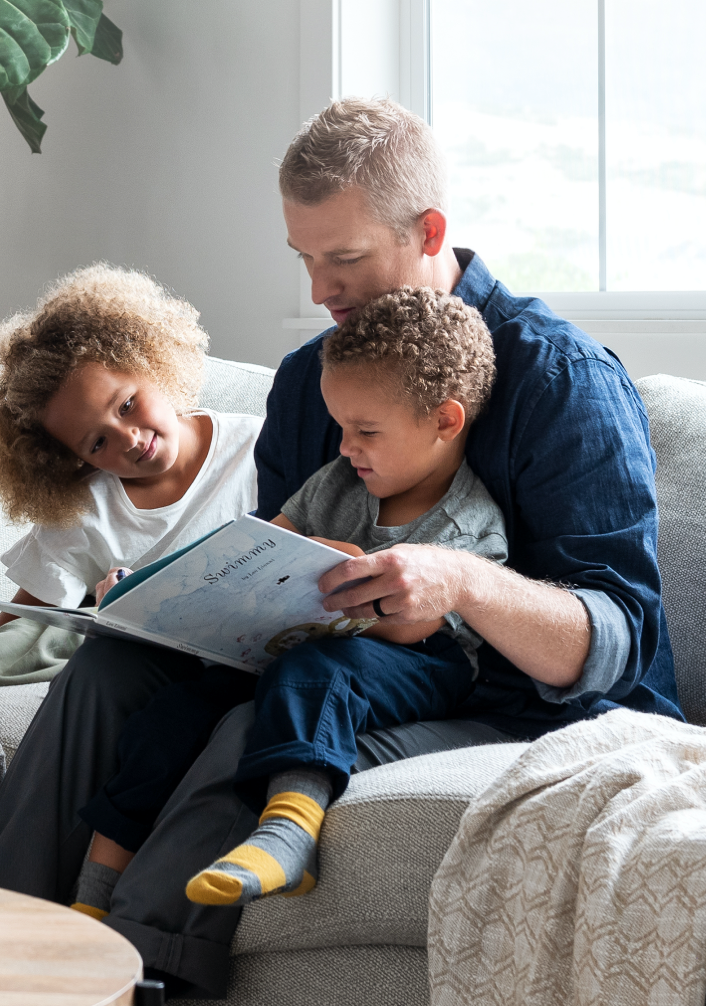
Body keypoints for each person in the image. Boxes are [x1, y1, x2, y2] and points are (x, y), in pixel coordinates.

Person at [0, 97, 679, 998]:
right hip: (344, 658)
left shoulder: (560, 379)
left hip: (516, 705)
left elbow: (617, 643)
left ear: (429, 231)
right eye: (305, 261)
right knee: (108, 669)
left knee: (256, 723)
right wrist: (175, 600)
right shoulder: (313, 379)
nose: (319, 293)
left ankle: (120, 990)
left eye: (343, 259)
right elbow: (281, 581)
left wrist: (460, 580)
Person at [69, 287, 506, 919]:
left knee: (314, 675)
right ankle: (92, 899)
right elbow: (257, 543)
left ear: (444, 421)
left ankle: (289, 835)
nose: (347, 446)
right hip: (307, 645)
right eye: (340, 427)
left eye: (366, 431)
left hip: (419, 665)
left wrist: (344, 573)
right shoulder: (339, 481)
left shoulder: (468, 524)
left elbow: (417, 631)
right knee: (176, 710)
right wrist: (151, 585)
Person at [0, 265, 260, 703]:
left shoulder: (260, 446)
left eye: (127, 404)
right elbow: (19, 633)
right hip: (146, 665)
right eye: (98, 442)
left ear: (151, 363)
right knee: (56, 633)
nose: (128, 438)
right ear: (77, 460)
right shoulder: (89, 506)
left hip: (248, 643)